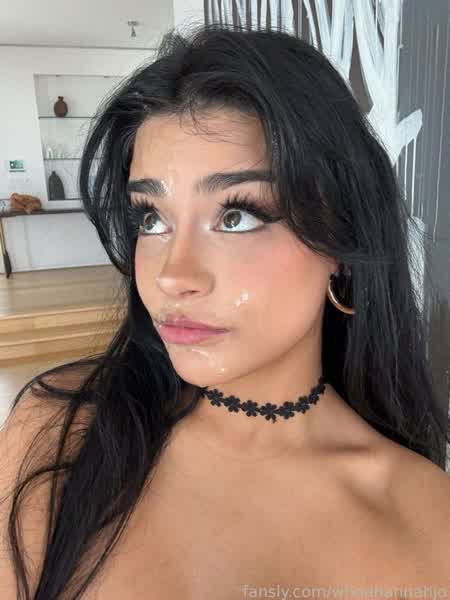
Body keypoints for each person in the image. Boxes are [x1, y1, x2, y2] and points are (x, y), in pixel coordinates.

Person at [1, 22, 450, 600]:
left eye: (236, 216)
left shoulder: (423, 515)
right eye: (151, 218)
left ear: (341, 241)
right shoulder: (57, 432)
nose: (172, 275)